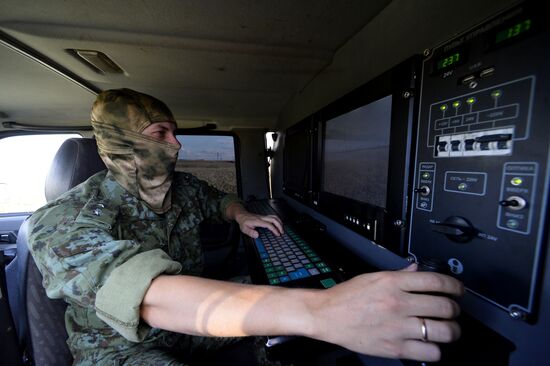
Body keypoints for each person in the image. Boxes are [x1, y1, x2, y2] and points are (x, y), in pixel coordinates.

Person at [28, 88, 463, 366]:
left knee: (296, 314)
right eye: (160, 134)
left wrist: (241, 214)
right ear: (122, 142)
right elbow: (149, 299)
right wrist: (324, 313)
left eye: (174, 133)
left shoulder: (179, 187)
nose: (176, 145)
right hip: (118, 347)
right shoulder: (63, 220)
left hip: (187, 332)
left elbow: (218, 200)